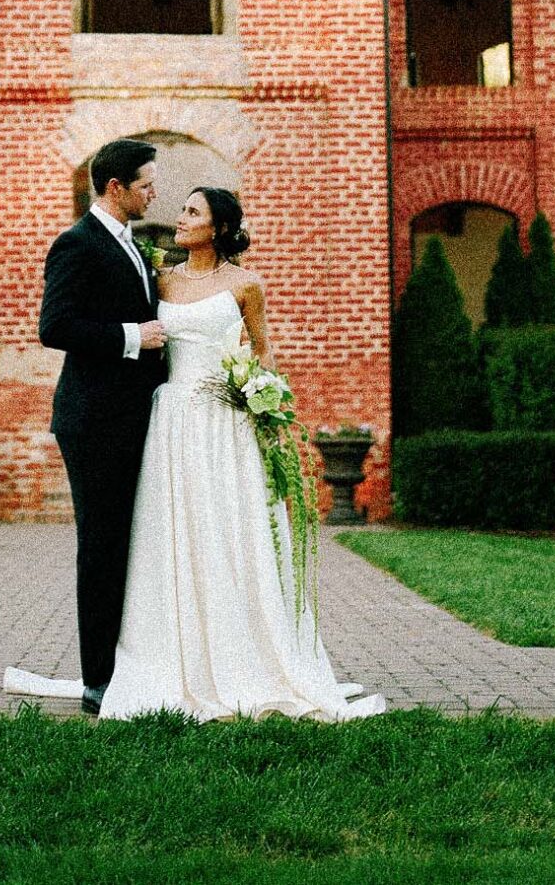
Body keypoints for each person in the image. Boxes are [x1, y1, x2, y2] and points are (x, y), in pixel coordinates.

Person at [96, 185, 383, 721]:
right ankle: (173, 657)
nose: (179, 217)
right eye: (182, 209)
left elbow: (262, 349)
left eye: (191, 211)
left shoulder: (247, 284)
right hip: (175, 419)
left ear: (219, 228)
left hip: (227, 423)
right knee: (176, 530)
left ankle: (250, 656)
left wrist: (265, 403)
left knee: (231, 529)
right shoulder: (161, 280)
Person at [35, 138, 169, 716]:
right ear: (114, 188)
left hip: (134, 415)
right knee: (102, 545)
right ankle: (98, 680)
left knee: (130, 543)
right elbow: (55, 326)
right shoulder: (76, 244)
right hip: (94, 421)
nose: (153, 192)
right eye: (145, 184)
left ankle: (133, 665)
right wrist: (131, 337)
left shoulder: (133, 246)